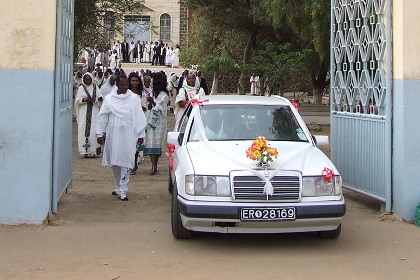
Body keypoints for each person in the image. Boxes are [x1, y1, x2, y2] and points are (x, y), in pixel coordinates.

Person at [96, 75, 147, 201]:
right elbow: (103, 116)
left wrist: (140, 135)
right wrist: (99, 133)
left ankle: (123, 189)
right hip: (113, 133)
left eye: (126, 85)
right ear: (117, 85)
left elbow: (139, 116)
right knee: (115, 162)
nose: (124, 87)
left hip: (128, 134)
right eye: (122, 85)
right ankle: (118, 185)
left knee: (126, 160)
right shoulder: (109, 99)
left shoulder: (133, 98)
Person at [143, 72, 169, 175]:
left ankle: (156, 164)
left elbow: (162, 109)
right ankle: (153, 165)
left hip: (160, 121)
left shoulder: (164, 95)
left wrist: (153, 102)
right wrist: (150, 102)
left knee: (157, 142)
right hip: (151, 119)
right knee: (151, 141)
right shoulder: (153, 93)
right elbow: (151, 107)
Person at [75, 73, 103, 157]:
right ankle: (84, 151)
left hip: (94, 112)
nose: (88, 81)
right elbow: (77, 101)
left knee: (94, 129)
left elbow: (101, 99)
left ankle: (93, 151)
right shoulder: (81, 88)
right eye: (86, 80)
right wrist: (84, 99)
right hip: (84, 112)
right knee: (83, 129)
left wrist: (95, 100)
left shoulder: (95, 87)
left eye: (89, 79)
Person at [128, 72, 144, 175]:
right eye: (133, 81)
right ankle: (131, 163)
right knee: (130, 143)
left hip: (140, 119)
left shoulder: (142, 93)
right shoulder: (127, 93)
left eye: (136, 81)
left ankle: (135, 163)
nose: (135, 82)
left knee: (138, 142)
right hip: (129, 120)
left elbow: (145, 104)